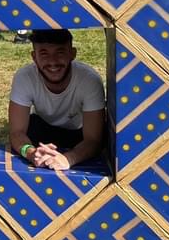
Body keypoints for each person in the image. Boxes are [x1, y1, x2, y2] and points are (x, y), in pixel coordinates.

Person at [9, 29, 105, 170]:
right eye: (44, 54)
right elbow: (16, 133)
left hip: (79, 135)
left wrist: (68, 158)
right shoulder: (24, 77)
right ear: (34, 57)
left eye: (60, 53)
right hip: (41, 134)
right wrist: (31, 153)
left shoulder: (89, 80)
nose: (52, 61)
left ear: (73, 54)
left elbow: (94, 139)